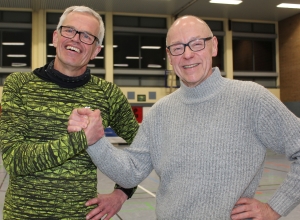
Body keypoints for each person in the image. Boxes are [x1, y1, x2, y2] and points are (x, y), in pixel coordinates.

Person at [68, 15, 300, 220]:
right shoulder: (160, 113)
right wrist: (94, 140)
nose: (187, 54)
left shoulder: (251, 98)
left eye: (197, 44)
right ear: (169, 56)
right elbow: (130, 173)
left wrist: (274, 209)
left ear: (214, 46)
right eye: (177, 48)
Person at [0, 5, 139, 220]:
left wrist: (122, 193)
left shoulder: (108, 94)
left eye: (87, 36)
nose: (75, 39)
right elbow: (15, 160)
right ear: (56, 37)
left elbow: (144, 148)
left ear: (96, 51)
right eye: (69, 30)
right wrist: (82, 139)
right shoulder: (19, 85)